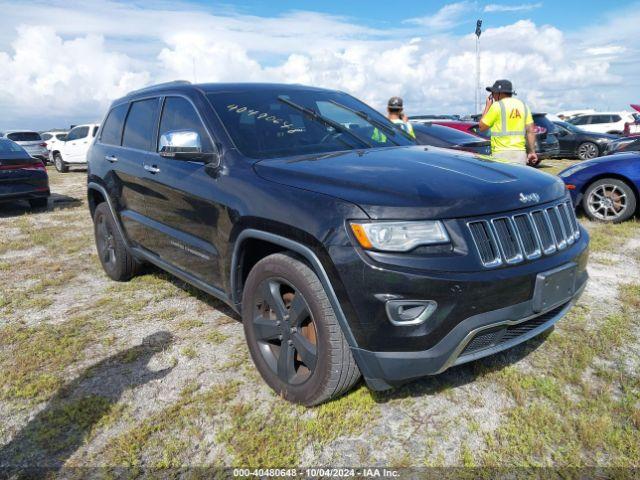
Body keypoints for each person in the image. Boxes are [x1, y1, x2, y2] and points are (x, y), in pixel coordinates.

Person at [478, 79, 537, 166]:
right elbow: (530, 131)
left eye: (493, 93)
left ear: (499, 93)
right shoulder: (523, 106)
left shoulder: (497, 106)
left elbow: (482, 127)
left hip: (501, 154)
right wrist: (532, 151)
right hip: (520, 154)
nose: (492, 96)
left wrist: (487, 106)